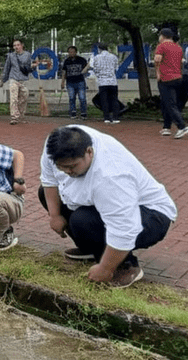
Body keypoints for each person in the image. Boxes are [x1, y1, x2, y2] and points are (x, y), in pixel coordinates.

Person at [39, 125, 177, 288]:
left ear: (89, 152)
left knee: (82, 220)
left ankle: (125, 266)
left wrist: (106, 268)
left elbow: (124, 228)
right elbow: (49, 180)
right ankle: (93, 249)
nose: (68, 171)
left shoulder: (110, 175)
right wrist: (55, 215)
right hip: (110, 204)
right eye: (62, 167)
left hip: (151, 214)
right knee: (46, 194)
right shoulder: (55, 145)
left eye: (73, 166)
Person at [154, 28, 188, 138]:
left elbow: (157, 60)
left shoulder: (161, 46)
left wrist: (158, 73)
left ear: (162, 36)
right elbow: (181, 62)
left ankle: (181, 126)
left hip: (165, 78)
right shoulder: (178, 47)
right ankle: (167, 127)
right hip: (177, 78)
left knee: (169, 104)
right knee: (171, 103)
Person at [0, 40, 34, 125]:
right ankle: (14, 117)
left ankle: (21, 116)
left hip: (24, 79)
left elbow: (29, 68)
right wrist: (3, 80)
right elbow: (7, 68)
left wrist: (34, 66)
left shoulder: (27, 55)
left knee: (23, 99)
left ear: (22, 45)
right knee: (13, 99)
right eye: (14, 45)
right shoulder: (11, 56)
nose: (16, 47)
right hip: (13, 79)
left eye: (18, 45)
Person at [90, 43, 120, 123]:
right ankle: (115, 117)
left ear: (99, 49)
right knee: (114, 100)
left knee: (104, 100)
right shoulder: (114, 57)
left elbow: (95, 69)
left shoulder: (97, 58)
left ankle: (106, 117)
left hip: (102, 82)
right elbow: (116, 68)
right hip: (113, 81)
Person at [60, 46, 89, 120]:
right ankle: (73, 112)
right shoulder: (66, 61)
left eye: (72, 52)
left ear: (76, 52)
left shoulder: (81, 60)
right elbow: (64, 72)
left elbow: (87, 67)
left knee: (82, 98)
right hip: (70, 82)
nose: (71, 53)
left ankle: (83, 113)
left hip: (80, 81)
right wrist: (62, 82)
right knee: (71, 98)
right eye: (70, 52)